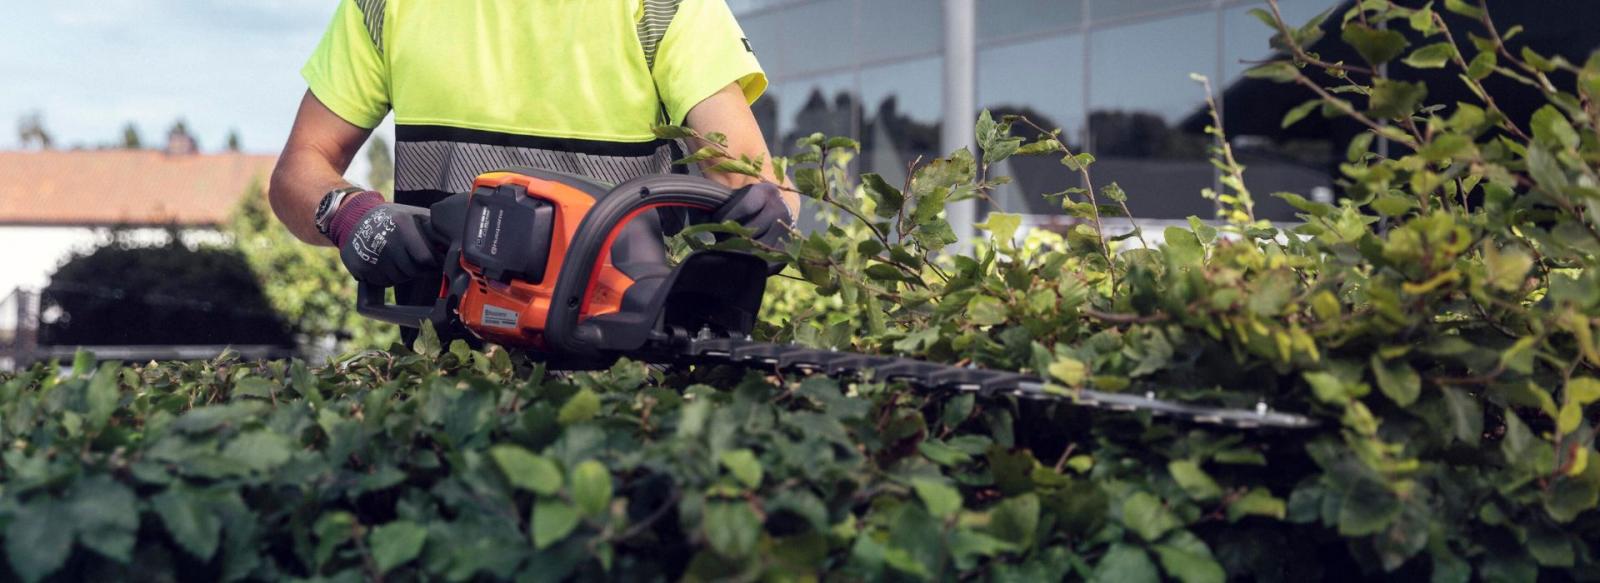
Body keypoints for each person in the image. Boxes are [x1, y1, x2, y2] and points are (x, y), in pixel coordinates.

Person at [267, 0, 794, 333]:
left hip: (624, 374)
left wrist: (766, 214)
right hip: (442, 373)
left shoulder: (664, 5)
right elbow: (299, 167)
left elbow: (751, 181)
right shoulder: (386, 5)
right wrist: (349, 215)